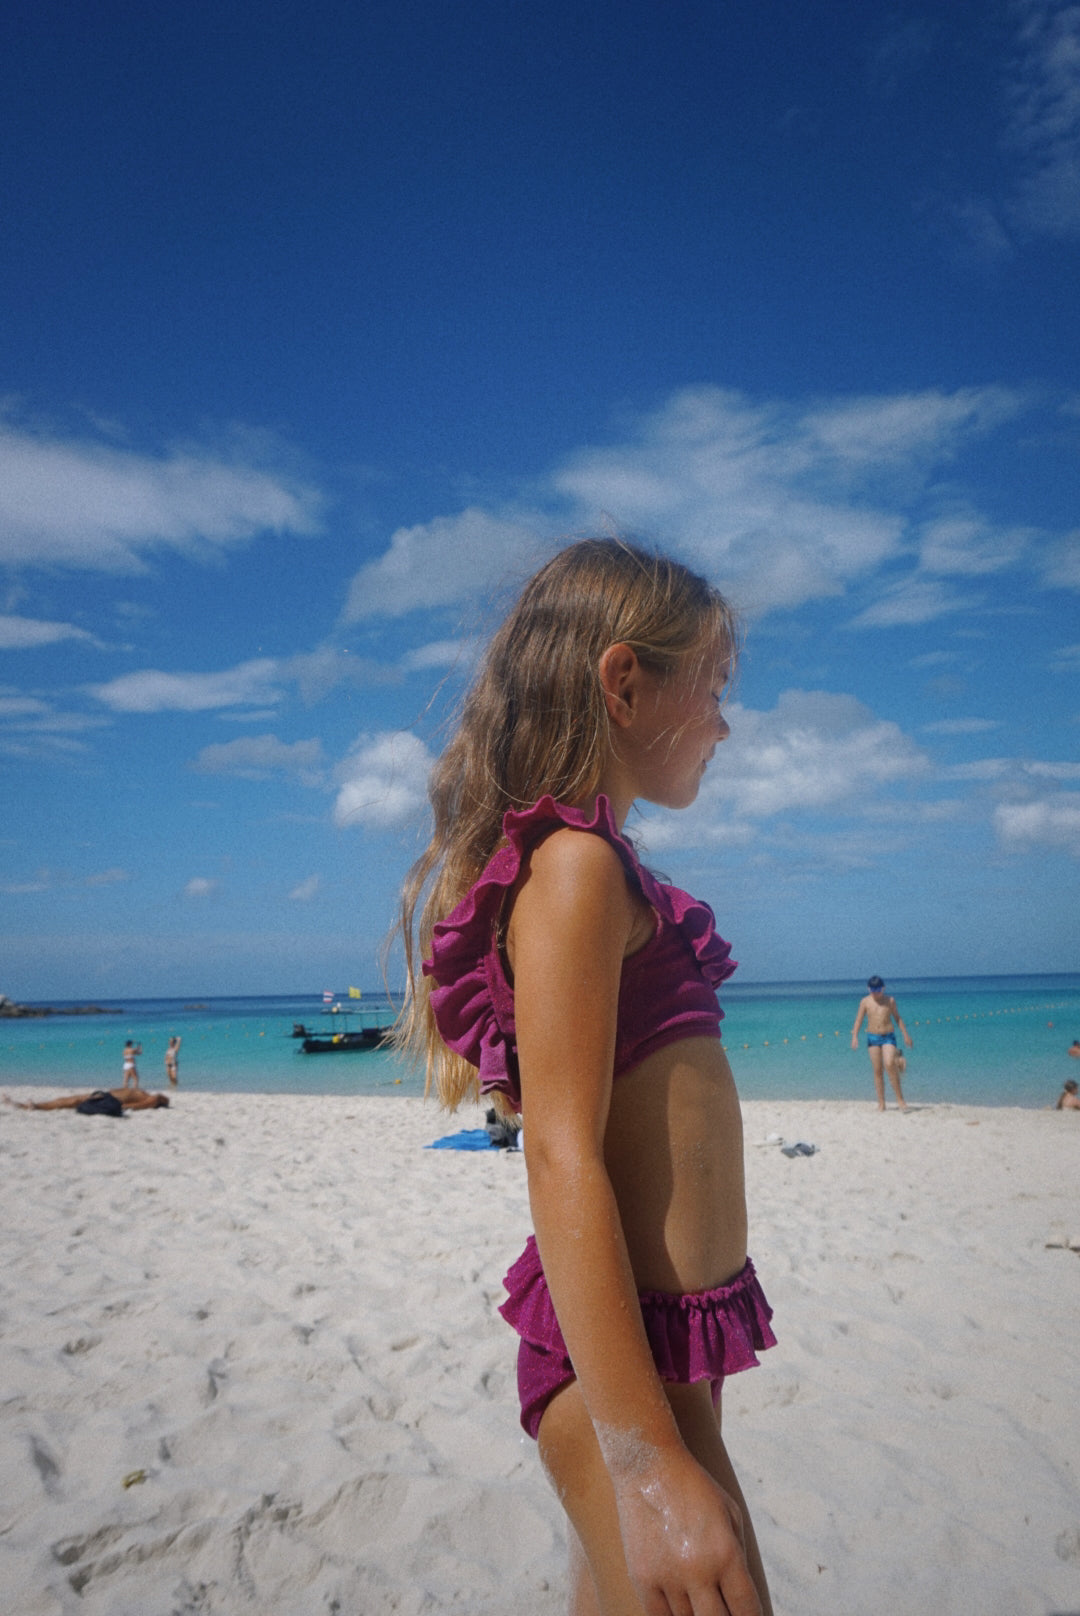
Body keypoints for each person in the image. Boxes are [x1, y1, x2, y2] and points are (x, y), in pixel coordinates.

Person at [397, 538, 776, 1616]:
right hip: (624, 1378)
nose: (724, 720)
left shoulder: (606, 867)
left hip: (667, 1355)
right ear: (625, 681)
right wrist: (645, 1455)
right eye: (713, 687)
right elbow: (561, 1149)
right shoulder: (574, 867)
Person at [851, 977, 912, 1112]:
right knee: (878, 1071)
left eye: (878, 990)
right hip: (873, 1037)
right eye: (873, 990)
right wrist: (855, 1036)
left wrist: (905, 1034)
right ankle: (881, 1103)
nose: (875, 992)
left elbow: (897, 1018)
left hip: (888, 1036)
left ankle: (901, 1101)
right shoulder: (865, 1002)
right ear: (869, 989)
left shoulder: (890, 1001)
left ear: (883, 988)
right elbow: (858, 1020)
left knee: (889, 1063)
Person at [4, 1088, 170, 1111]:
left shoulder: (151, 1100)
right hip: (106, 1095)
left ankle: (33, 1106)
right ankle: (33, 1106)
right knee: (71, 1100)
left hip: (108, 1099)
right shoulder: (149, 1097)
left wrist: (119, 1105)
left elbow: (129, 1106)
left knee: (72, 1101)